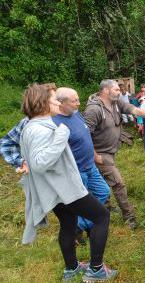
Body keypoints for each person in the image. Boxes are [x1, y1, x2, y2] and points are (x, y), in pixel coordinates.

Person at [19, 84, 116, 281]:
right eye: (54, 99)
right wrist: (62, 136)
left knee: (69, 222)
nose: (57, 102)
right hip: (64, 188)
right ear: (44, 103)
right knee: (101, 216)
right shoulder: (40, 129)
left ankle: (71, 268)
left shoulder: (34, 125)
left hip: (55, 189)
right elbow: (39, 163)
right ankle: (96, 270)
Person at [84, 79, 145, 229]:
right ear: (105, 91)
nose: (120, 92)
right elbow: (84, 135)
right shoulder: (94, 110)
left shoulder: (116, 103)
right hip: (101, 154)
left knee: (103, 182)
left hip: (111, 151)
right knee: (119, 183)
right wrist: (95, 156)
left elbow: (135, 111)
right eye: (116, 90)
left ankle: (106, 206)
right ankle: (129, 217)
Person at [52, 87, 110, 242]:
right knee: (79, 204)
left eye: (78, 99)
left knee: (103, 191)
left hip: (90, 166)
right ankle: (85, 226)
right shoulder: (55, 123)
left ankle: (80, 226)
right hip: (76, 171)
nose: (78, 103)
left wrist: (95, 155)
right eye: (74, 101)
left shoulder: (76, 114)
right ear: (61, 103)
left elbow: (86, 136)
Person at [0, 83, 57, 174]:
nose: (59, 102)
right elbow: (6, 144)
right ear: (44, 102)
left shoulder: (69, 116)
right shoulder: (28, 122)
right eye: (56, 99)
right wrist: (21, 162)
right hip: (44, 181)